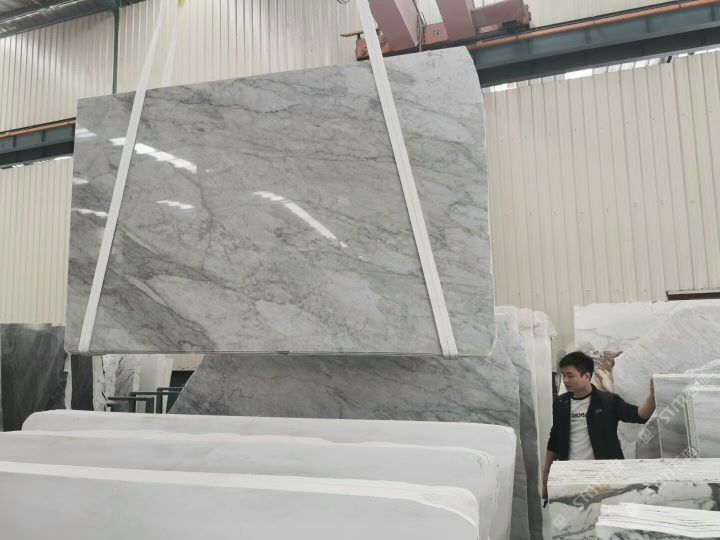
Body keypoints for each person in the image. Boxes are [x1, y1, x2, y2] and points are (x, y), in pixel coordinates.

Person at [542, 351, 656, 501]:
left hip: (605, 477)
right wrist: (546, 474)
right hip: (571, 476)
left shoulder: (608, 402)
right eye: (563, 375)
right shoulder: (561, 403)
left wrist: (653, 395)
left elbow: (640, 415)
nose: (565, 380)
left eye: (570, 375)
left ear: (586, 376)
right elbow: (554, 440)